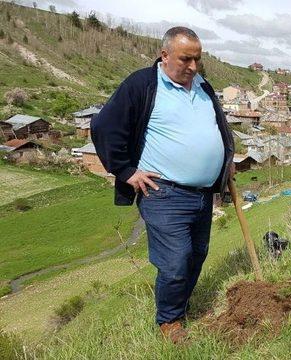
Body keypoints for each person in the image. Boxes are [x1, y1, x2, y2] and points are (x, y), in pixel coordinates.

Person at [91, 27, 234, 342]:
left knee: (197, 253)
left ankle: (180, 310)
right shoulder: (142, 84)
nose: (193, 66)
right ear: (165, 55)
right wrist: (126, 170)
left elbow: (218, 129)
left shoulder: (203, 87)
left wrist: (225, 163)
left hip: (201, 194)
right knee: (176, 258)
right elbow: (104, 126)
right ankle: (169, 322)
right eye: (186, 59)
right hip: (163, 192)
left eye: (197, 59)